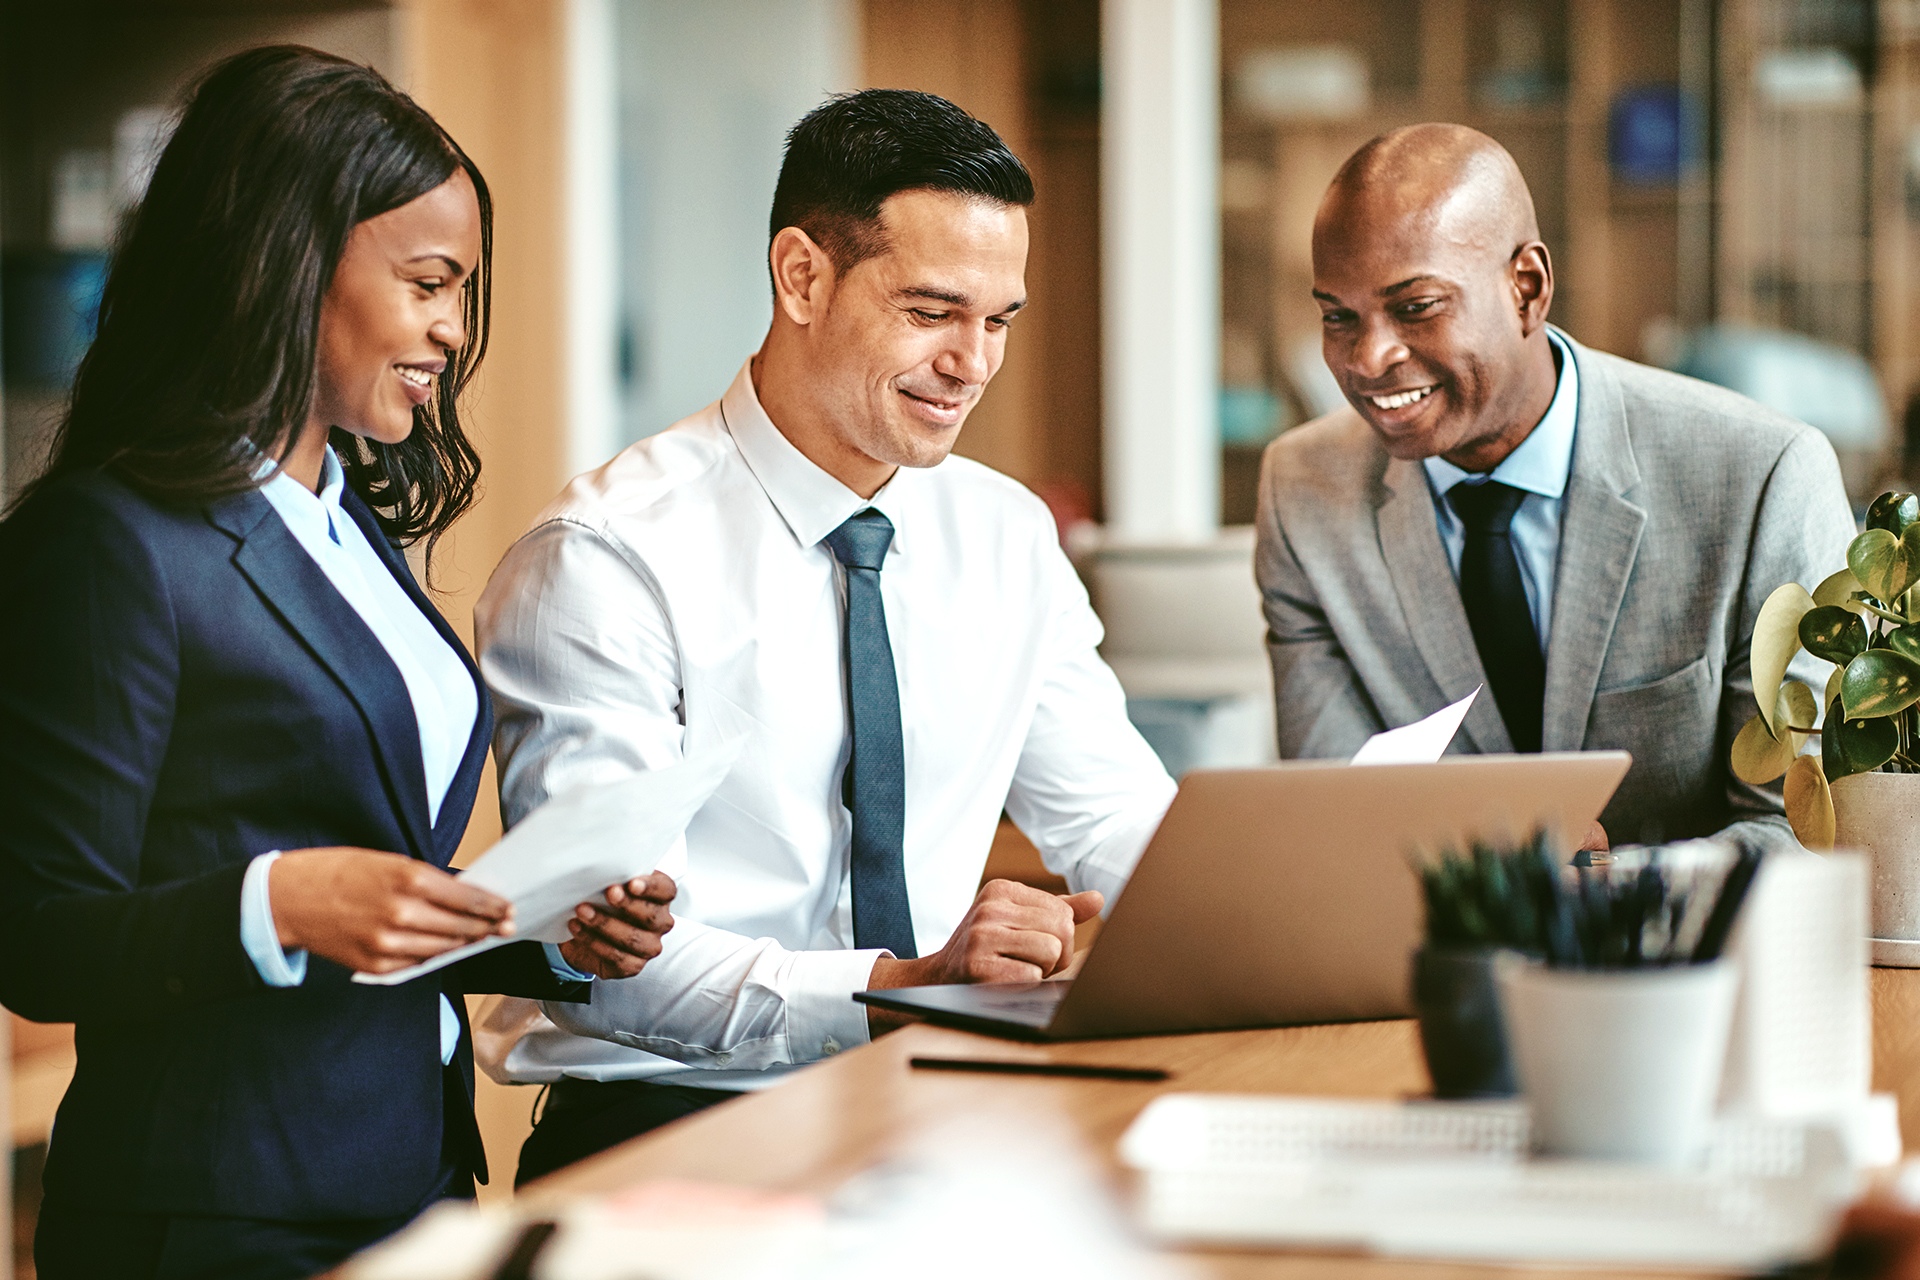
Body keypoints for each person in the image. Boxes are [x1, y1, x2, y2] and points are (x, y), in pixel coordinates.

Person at [0, 47, 676, 1280]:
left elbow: (370, 872)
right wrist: (284, 899)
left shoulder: (344, 520)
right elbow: (37, 934)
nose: (451, 332)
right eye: (429, 282)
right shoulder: (111, 542)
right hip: (214, 1220)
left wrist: (550, 933)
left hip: (412, 1177)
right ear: (290, 263)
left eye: (461, 291)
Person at [474, 88, 1177, 1182]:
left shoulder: (1005, 535)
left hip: (941, 1118)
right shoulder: (607, 557)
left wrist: (1252, 921)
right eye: (933, 310)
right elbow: (616, 965)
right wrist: (911, 981)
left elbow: (1116, 819)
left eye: (999, 320)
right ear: (802, 275)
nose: (974, 362)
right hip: (671, 1143)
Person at [1255, 123, 1855, 850]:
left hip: (1691, 956)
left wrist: (1605, 891)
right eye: (1338, 317)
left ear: (1527, 288)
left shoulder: (1761, 477)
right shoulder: (1302, 491)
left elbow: (1802, 831)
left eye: (1416, 307)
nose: (1368, 357)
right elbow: (1338, 816)